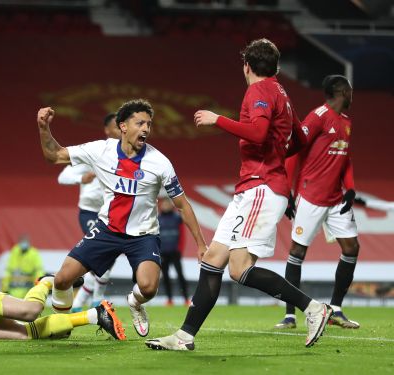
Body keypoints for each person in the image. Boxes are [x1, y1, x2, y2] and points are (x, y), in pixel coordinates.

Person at [145, 39, 332, 351]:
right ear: (275, 66)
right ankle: (184, 336)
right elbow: (299, 140)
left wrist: (217, 119)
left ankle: (313, 308)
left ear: (247, 66)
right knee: (214, 259)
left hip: (260, 186)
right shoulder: (282, 93)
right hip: (257, 188)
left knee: (239, 268)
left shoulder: (259, 90)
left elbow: (258, 133)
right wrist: (280, 175)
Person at [37, 99, 208, 338]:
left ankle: (135, 302)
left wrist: (201, 244)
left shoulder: (160, 163)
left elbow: (183, 204)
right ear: (123, 126)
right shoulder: (101, 150)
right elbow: (54, 156)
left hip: (143, 235)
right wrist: (44, 128)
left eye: (149, 124)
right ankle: (60, 327)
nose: (146, 129)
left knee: (148, 288)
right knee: (63, 278)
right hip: (107, 229)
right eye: (140, 123)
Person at [275, 75, 361, 330]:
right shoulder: (317, 117)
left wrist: (351, 188)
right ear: (343, 91)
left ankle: (335, 309)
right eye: (350, 90)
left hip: (336, 199)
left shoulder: (346, 122)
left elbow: (345, 158)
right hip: (311, 196)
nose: (352, 94)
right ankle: (290, 315)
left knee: (351, 248)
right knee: (297, 252)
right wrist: (289, 191)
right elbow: (293, 151)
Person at [57, 113, 121, 311]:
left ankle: (82, 301)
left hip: (111, 213)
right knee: (101, 254)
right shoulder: (95, 152)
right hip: (90, 212)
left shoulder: (127, 156)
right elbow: (63, 176)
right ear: (107, 130)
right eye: (117, 127)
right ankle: (95, 301)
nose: (121, 131)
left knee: (107, 256)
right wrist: (81, 178)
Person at [158, 197, 189, 306]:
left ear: (171, 206)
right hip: (163, 253)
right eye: (164, 204)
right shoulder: (158, 219)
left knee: (180, 276)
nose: (165, 206)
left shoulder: (177, 218)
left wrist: (179, 249)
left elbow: (182, 235)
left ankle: (186, 299)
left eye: (167, 204)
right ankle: (169, 299)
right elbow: (156, 236)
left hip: (175, 252)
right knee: (165, 277)